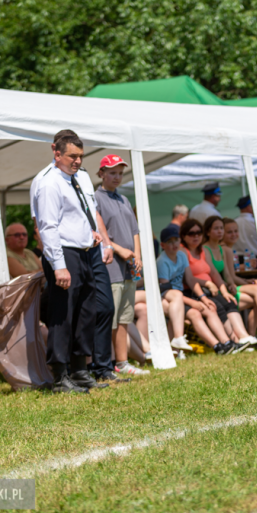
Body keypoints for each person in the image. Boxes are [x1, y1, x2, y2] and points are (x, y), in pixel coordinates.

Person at [30, 130, 123, 386]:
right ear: (56, 152)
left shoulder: (80, 177)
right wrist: (58, 266)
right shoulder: (48, 182)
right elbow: (47, 226)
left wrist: (93, 234)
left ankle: (81, 371)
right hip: (64, 252)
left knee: (86, 311)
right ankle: (60, 375)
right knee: (63, 314)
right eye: (72, 156)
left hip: (86, 250)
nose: (78, 161)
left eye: (81, 156)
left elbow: (83, 213)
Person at [95, 154, 150, 376]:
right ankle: (105, 364)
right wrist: (119, 250)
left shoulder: (124, 199)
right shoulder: (95, 198)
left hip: (128, 268)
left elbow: (135, 231)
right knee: (112, 317)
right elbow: (99, 232)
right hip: (110, 267)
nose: (117, 177)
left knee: (125, 317)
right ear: (101, 174)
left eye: (120, 173)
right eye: (112, 173)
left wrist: (137, 255)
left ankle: (122, 362)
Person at [157, 226, 239, 355]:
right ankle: (217, 346)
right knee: (195, 313)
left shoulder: (181, 255)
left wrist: (203, 298)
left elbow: (190, 279)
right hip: (168, 298)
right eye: (169, 241)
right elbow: (167, 291)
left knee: (210, 307)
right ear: (162, 245)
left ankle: (227, 343)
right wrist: (193, 302)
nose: (174, 244)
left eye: (176, 240)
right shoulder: (162, 262)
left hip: (181, 295)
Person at [180, 219, 254, 351]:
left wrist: (224, 291)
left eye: (198, 233)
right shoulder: (183, 252)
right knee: (217, 306)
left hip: (209, 290)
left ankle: (241, 338)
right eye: (191, 233)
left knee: (229, 301)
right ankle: (232, 342)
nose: (196, 236)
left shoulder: (203, 251)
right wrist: (208, 283)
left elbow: (214, 273)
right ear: (184, 236)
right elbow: (188, 278)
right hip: (194, 292)